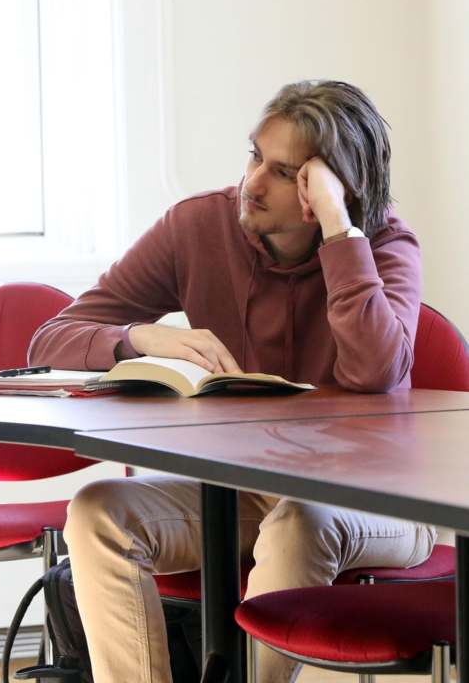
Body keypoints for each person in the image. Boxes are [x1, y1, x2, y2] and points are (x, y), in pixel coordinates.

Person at [29, 80, 436, 683]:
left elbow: (375, 370)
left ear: (330, 188)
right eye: (254, 156)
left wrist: (338, 230)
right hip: (241, 492)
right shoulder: (199, 227)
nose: (252, 182)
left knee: (302, 519)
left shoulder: (384, 244)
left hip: (382, 500)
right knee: (97, 511)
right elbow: (51, 338)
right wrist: (143, 337)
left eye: (282, 171)